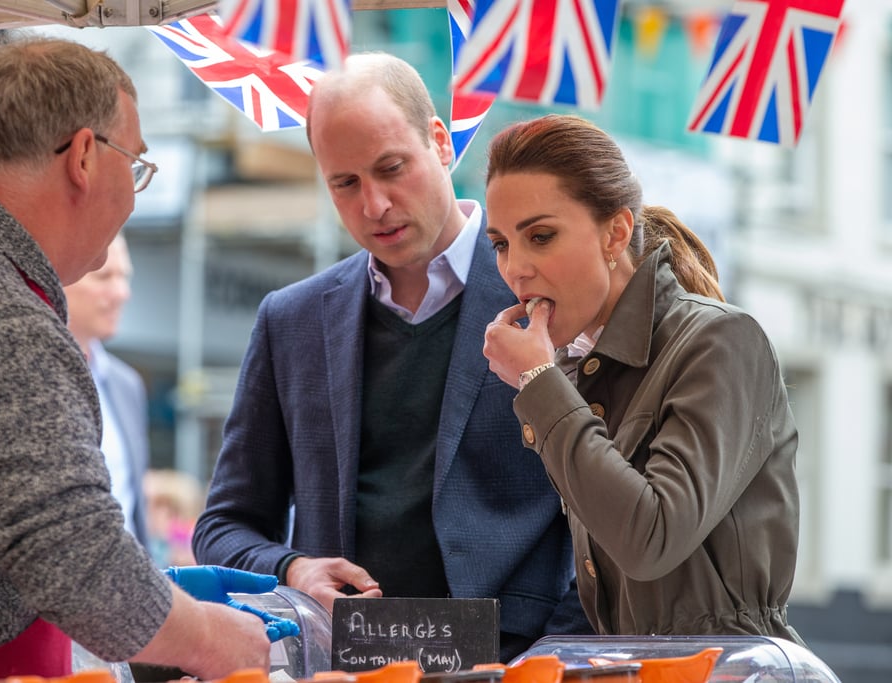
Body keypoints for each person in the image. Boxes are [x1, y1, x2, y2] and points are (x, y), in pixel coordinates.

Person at [0, 35, 289, 682]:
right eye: (137, 164)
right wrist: (215, 638)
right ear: (86, 157)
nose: (134, 192)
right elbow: (75, 560)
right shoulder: (6, 321)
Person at [193, 52, 591, 663]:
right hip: (344, 667)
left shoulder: (547, 301)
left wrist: (546, 656)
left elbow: (610, 520)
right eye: (345, 183)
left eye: (390, 168)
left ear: (440, 141)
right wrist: (295, 568)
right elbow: (223, 529)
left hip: (521, 663)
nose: (373, 204)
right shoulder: (291, 321)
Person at [481, 113, 803, 643]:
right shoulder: (574, 365)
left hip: (731, 670)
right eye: (501, 244)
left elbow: (650, 539)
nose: (515, 268)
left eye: (540, 236)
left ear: (616, 233)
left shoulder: (722, 340)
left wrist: (539, 381)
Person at [64, 233, 151, 550]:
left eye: (124, 276)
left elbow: (134, 510)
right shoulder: (24, 374)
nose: (122, 293)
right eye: (104, 276)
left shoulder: (126, 384)